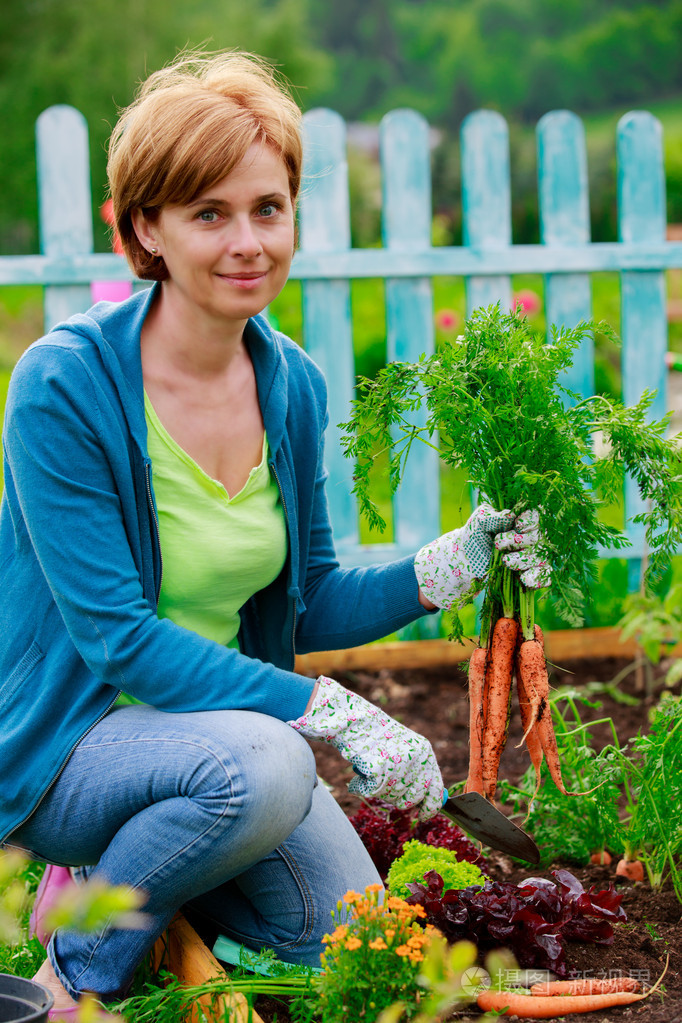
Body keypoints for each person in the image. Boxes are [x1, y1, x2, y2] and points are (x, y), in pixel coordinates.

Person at [0, 51, 549, 1017]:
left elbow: (308, 595)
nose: (248, 241)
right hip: (70, 747)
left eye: (268, 207)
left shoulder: (289, 382)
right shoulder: (64, 386)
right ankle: (77, 961)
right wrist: (331, 710)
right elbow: (116, 638)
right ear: (145, 230)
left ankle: (164, 878)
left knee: (338, 932)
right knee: (270, 765)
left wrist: (449, 564)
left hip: (220, 744)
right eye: (208, 214)